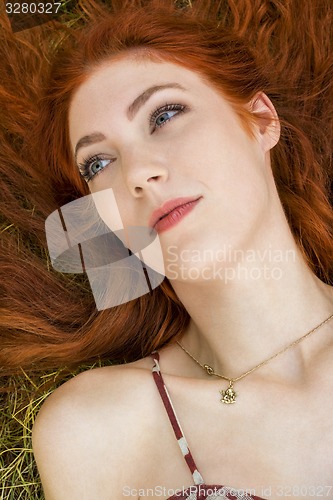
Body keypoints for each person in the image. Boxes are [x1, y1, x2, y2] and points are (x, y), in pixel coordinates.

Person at [1, 0, 332, 498]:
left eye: (165, 114)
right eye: (98, 164)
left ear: (261, 121)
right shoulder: (96, 431)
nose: (137, 173)